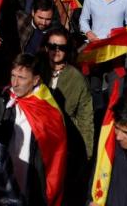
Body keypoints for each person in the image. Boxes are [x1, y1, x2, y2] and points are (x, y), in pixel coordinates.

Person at [0, 54, 69, 206]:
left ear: (35, 80)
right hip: (1, 182)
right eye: (13, 75)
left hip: (28, 184)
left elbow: (54, 157)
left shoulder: (47, 110)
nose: (14, 83)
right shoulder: (3, 98)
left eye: (21, 78)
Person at [44, 28, 93, 158]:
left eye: (62, 47)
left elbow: (86, 119)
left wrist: (87, 153)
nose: (57, 50)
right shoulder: (35, 71)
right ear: (46, 47)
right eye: (52, 46)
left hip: (64, 141)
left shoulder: (77, 79)